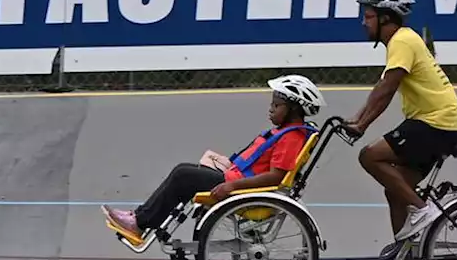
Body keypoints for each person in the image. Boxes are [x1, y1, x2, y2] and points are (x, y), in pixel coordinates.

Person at [102, 74, 326, 246]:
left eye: (276, 106)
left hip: (240, 186)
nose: (270, 110)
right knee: (187, 171)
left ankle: (139, 223)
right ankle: (141, 218)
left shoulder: (291, 137)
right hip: (236, 177)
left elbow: (276, 176)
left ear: (294, 108)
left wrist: (231, 185)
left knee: (183, 175)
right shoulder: (287, 132)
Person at [344, 0, 457, 249]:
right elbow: (380, 88)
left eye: (368, 16)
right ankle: (404, 258)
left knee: (369, 156)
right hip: (442, 124)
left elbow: (388, 89)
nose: (363, 22)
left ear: (385, 18)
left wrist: (362, 126)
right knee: (397, 191)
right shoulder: (403, 41)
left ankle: (423, 211)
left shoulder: (401, 40)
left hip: (435, 122)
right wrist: (355, 119)